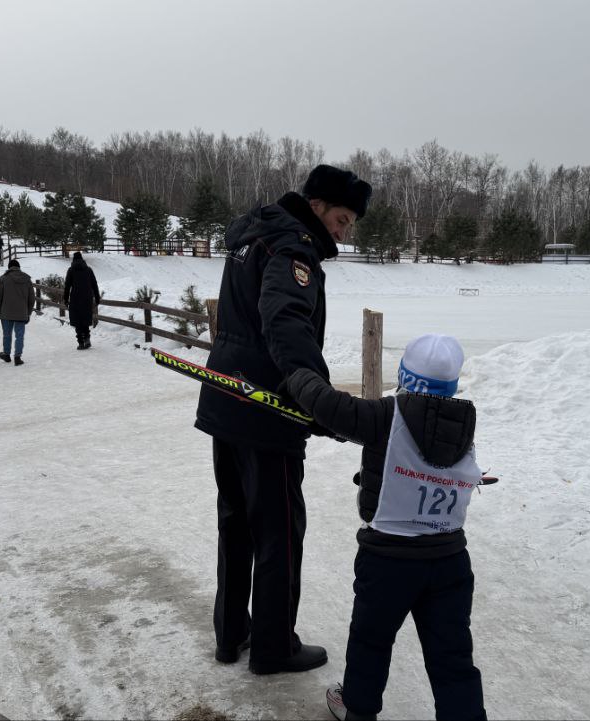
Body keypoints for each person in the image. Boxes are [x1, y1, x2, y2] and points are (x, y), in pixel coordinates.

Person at [194, 164, 371, 675]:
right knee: (279, 532)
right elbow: (286, 321)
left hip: (226, 400)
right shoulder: (293, 248)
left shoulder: (254, 234)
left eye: (350, 224)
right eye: (341, 218)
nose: (343, 231)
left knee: (235, 522)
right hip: (266, 413)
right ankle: (273, 646)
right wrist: (312, 393)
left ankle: (231, 633)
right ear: (317, 206)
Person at [286, 334, 487, 721]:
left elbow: (328, 405)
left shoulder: (385, 415)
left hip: (388, 561)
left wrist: (297, 373)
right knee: (453, 656)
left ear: (404, 376)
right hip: (450, 561)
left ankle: (358, 711)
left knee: (370, 642)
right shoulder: (462, 423)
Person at [0, 259, 34, 365]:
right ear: (19, 267)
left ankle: (6, 354)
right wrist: (28, 313)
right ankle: (17, 357)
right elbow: (31, 299)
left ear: (9, 268)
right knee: (19, 335)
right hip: (21, 313)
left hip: (6, 312)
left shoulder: (4, 278)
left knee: (7, 334)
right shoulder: (27, 279)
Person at [62, 252, 100, 349]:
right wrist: (97, 297)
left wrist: (66, 299)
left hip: (75, 298)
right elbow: (94, 284)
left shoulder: (71, 270)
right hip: (87, 298)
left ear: (73, 260)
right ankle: (87, 339)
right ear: (82, 259)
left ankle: (81, 342)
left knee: (78, 320)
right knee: (85, 319)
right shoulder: (88, 270)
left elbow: (67, 286)